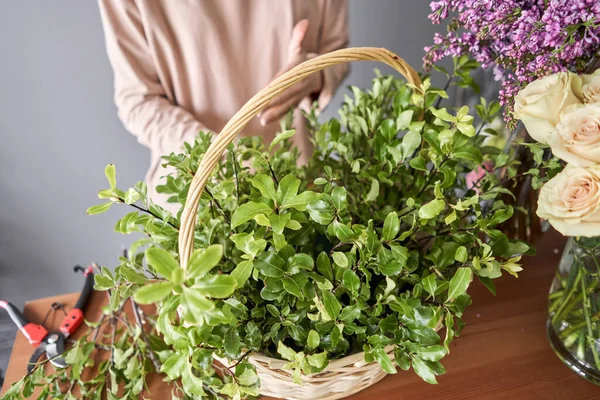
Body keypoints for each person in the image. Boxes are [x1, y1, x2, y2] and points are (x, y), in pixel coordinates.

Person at [98, 1, 349, 210]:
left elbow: (337, 52)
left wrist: (314, 74)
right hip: (199, 206)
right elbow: (138, 100)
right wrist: (222, 158)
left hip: (299, 196)